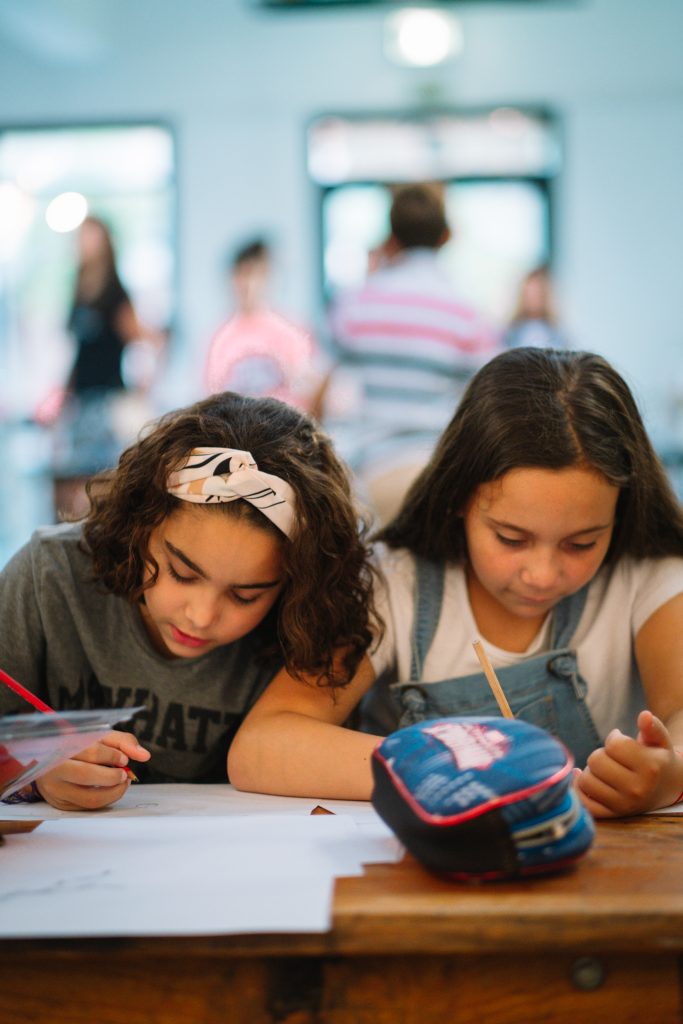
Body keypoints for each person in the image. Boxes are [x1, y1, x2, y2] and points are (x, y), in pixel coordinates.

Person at [229, 348, 683, 819]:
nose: (543, 574)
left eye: (582, 544)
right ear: (459, 499)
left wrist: (670, 773)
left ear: (621, 512)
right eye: (511, 538)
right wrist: (437, 767)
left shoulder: (648, 574)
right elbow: (263, 745)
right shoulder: (396, 584)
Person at [0, 392, 376, 811]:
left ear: (295, 585)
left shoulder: (310, 623)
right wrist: (34, 772)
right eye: (182, 573)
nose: (201, 616)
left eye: (246, 595)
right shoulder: (48, 578)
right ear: (139, 524)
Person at [325, 182, 498, 526]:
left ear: (391, 238)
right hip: (440, 474)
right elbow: (490, 395)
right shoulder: (465, 313)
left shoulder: (355, 304)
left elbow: (321, 383)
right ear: (445, 237)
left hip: (370, 474)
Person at [47, 215, 165, 520]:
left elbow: (147, 339)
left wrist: (145, 388)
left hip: (107, 401)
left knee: (99, 482)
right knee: (67, 483)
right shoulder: (78, 289)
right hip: (81, 402)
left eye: (90, 237)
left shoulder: (115, 292)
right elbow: (79, 352)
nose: (83, 243)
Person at [203, 237, 326, 417]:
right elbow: (211, 399)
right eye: (242, 274)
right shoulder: (219, 337)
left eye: (256, 273)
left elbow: (313, 390)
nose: (249, 283)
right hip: (236, 436)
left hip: (284, 434)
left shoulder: (293, 331)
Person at [503, 264, 567, 350]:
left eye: (537, 294)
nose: (532, 299)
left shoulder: (557, 334)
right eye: (529, 294)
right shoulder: (512, 332)